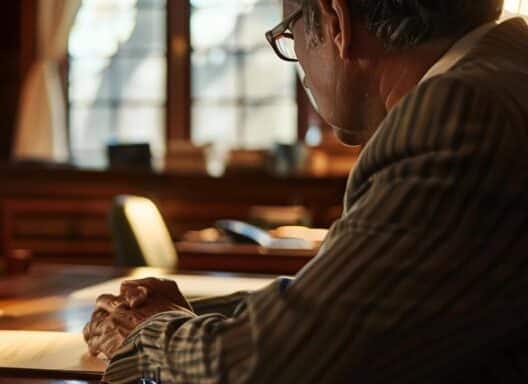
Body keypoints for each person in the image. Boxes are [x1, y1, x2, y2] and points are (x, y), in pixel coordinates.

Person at [84, 1, 528, 382]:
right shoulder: (502, 77)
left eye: (288, 32)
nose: (297, 64)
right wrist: (188, 315)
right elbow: (350, 306)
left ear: (336, 21)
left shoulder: (459, 110)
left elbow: (268, 368)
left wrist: (149, 332)